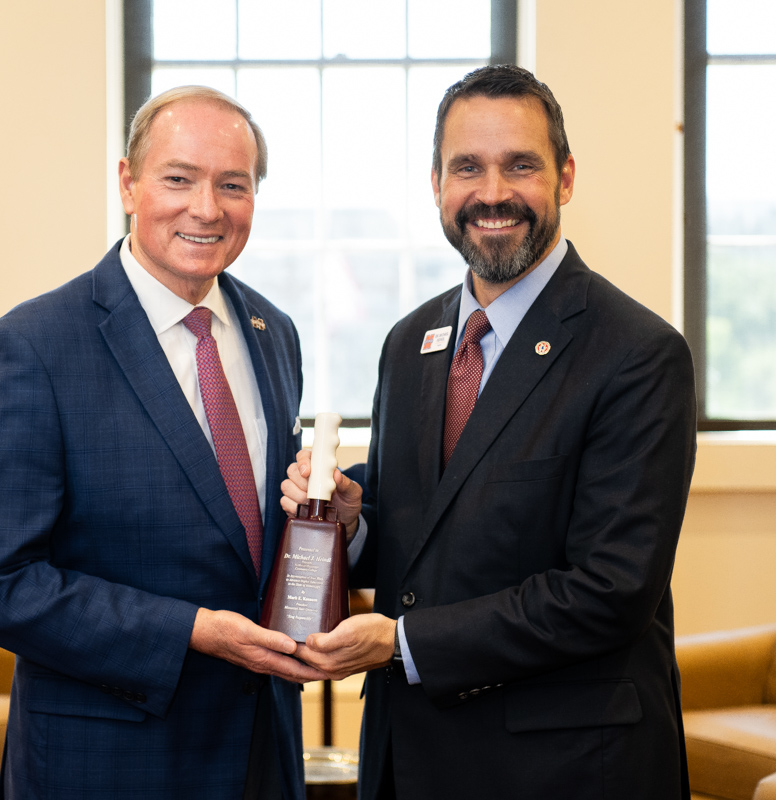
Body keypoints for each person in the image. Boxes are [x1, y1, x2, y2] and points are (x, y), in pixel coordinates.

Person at [282, 65, 697, 799]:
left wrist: (402, 642)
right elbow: (420, 539)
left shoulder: (637, 354)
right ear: (436, 182)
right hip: (409, 757)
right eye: (467, 166)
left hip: (563, 769)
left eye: (522, 165)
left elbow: (610, 590)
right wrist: (349, 525)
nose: (493, 193)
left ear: (565, 178)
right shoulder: (410, 343)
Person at [0, 86, 325, 800]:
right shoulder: (35, 346)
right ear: (128, 182)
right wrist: (189, 631)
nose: (206, 208)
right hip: (108, 760)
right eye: (179, 178)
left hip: (261, 753)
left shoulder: (274, 334)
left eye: (232, 185)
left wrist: (332, 515)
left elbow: (251, 528)